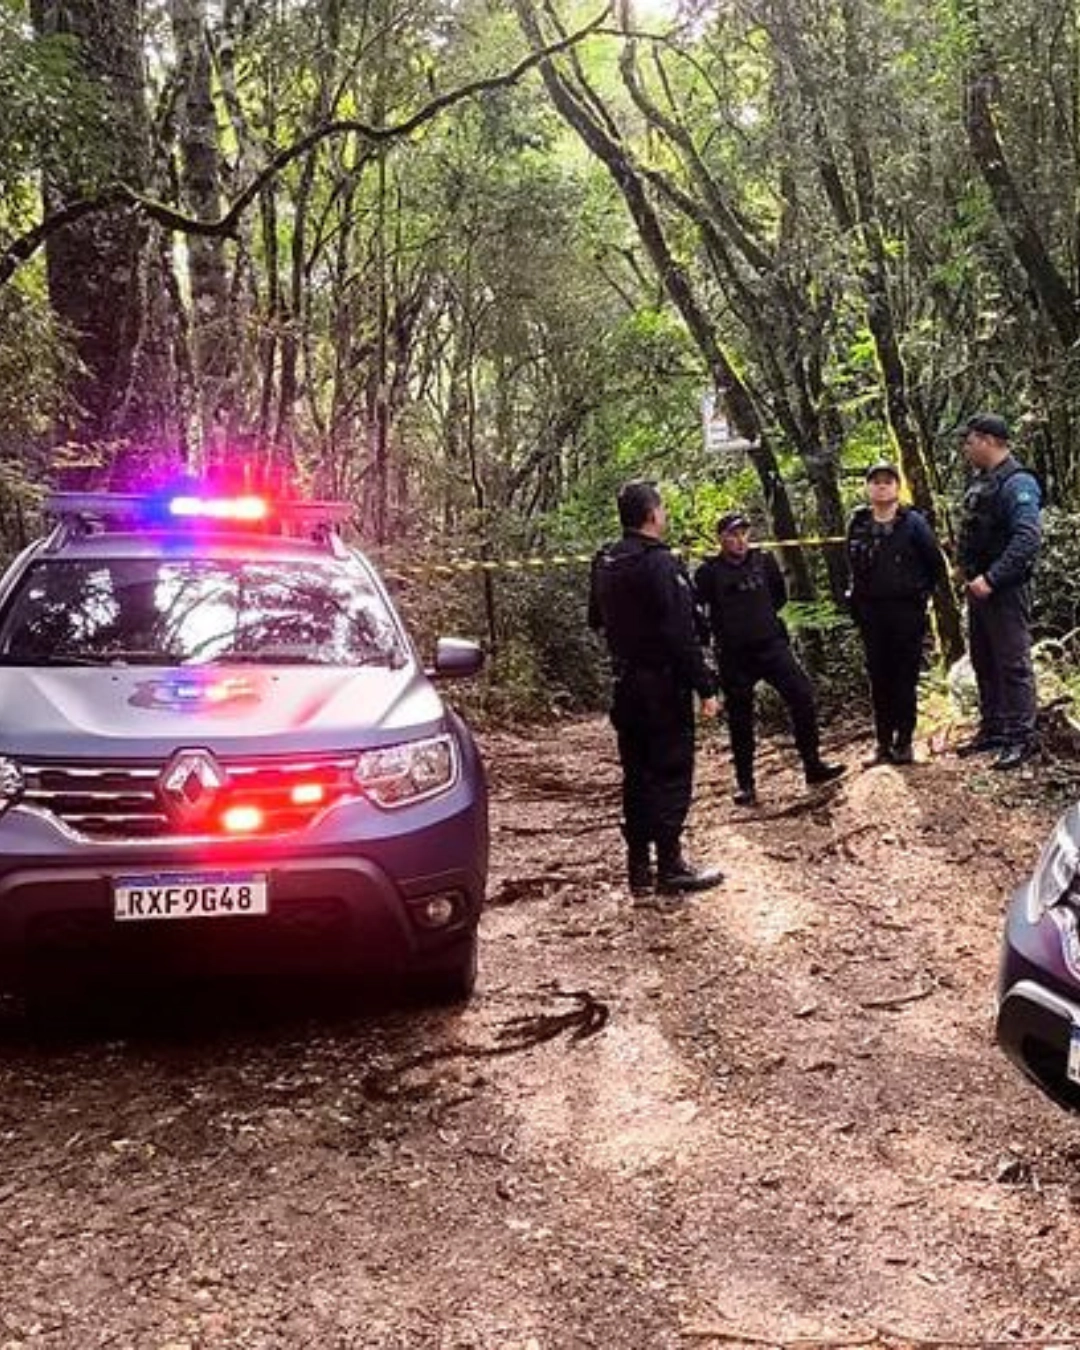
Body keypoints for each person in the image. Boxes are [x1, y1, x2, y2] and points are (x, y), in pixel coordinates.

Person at [588, 480, 724, 899]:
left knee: (637, 773)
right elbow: (680, 632)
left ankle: (638, 870)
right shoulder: (660, 563)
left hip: (624, 682)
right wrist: (705, 686)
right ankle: (669, 865)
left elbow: (595, 619)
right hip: (661, 683)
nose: (664, 515)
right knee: (669, 770)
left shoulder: (605, 560)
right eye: (662, 509)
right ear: (652, 515)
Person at [694, 512, 844, 807]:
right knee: (740, 719)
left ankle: (812, 764)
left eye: (743, 534)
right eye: (732, 534)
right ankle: (746, 784)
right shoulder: (708, 572)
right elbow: (697, 611)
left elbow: (779, 598)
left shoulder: (764, 562)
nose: (739, 540)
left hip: (771, 646)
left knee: (801, 695)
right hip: (734, 655)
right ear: (720, 538)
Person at [955, 413, 1042, 770]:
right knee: (984, 660)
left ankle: (1021, 737)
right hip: (979, 590)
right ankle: (994, 728)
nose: (966, 448)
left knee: (1012, 662)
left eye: (970, 441)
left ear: (989, 440)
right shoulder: (983, 483)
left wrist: (992, 579)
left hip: (1004, 590)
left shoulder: (1018, 483)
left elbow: (1027, 539)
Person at [846, 462, 945, 765]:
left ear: (897, 487)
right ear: (867, 487)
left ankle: (904, 742)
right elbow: (849, 565)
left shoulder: (913, 522)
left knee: (904, 677)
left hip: (906, 612)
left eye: (888, 481)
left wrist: (920, 597)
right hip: (871, 613)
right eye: (875, 481)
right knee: (879, 679)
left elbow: (935, 565)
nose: (881, 486)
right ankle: (882, 744)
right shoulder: (859, 523)